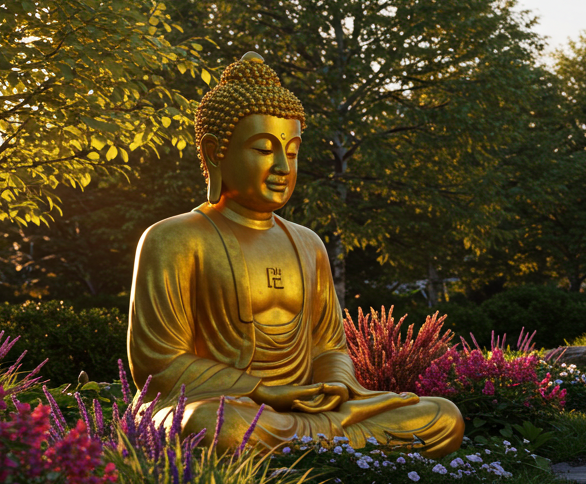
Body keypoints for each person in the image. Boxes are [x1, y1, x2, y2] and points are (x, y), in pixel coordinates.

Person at [127, 52, 464, 457]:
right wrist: (264, 390)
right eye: (264, 149)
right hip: (226, 406)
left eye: (292, 150)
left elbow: (328, 347)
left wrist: (335, 385)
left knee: (442, 416)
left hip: (306, 411)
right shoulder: (176, 239)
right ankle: (339, 449)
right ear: (216, 151)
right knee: (213, 426)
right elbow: (159, 364)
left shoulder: (308, 243)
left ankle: (314, 444)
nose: (283, 166)